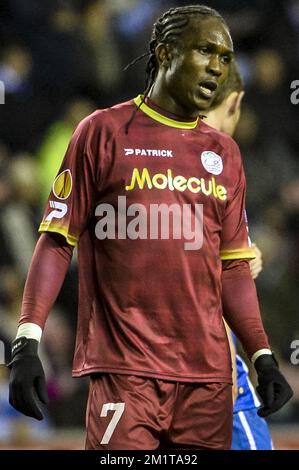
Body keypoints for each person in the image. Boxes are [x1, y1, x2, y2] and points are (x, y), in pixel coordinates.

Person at [8, 5, 293, 450]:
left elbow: (234, 269)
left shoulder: (225, 155)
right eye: (205, 51)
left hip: (207, 381)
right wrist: (28, 340)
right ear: (163, 53)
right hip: (125, 375)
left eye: (225, 58)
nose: (217, 67)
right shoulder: (101, 132)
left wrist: (263, 356)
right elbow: (56, 241)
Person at [205, 62, 273, 450]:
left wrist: (238, 257)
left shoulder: (150, 155)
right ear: (236, 102)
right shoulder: (222, 162)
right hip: (211, 355)